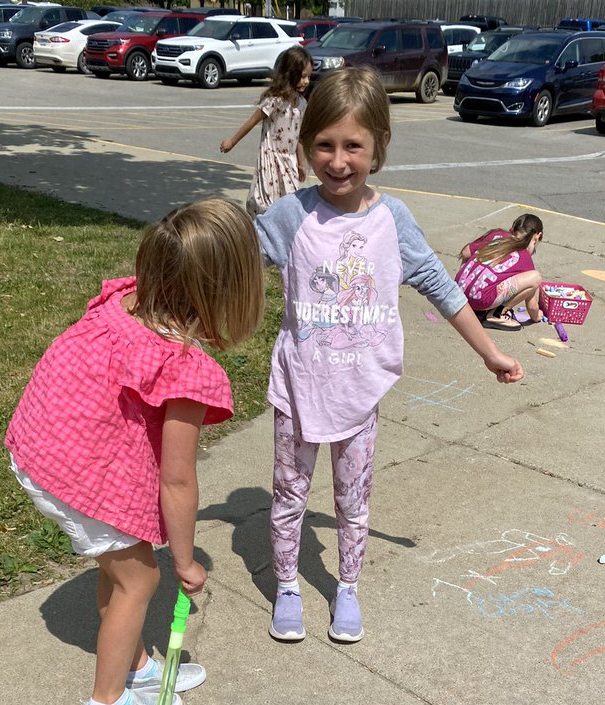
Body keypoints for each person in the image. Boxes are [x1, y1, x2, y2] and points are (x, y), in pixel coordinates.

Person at [255, 66, 523, 645]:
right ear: (304, 147)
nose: (338, 160)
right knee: (288, 496)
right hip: (299, 387)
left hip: (359, 392)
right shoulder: (291, 216)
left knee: (353, 501)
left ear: (379, 147)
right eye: (323, 145)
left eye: (353, 145)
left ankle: (347, 585)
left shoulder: (390, 220)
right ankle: (287, 585)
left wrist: (491, 352)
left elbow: (441, 287)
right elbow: (229, 260)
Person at [4, 200, 264, 705]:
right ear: (232, 290)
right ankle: (108, 703)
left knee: (119, 560)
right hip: (71, 470)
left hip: (39, 445)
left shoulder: (123, 304)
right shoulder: (184, 366)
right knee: (141, 576)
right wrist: (186, 561)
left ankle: (138, 667)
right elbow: (177, 478)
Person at [220, 45, 312, 217]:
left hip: (289, 162)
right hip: (270, 158)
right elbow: (251, 122)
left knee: (291, 200)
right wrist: (232, 142)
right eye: (302, 76)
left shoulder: (302, 105)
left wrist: (301, 163)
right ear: (290, 74)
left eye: (308, 77)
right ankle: (262, 232)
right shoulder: (274, 101)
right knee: (267, 202)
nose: (306, 81)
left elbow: (299, 137)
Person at [456, 213, 545, 330]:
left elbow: (466, 252)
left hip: (458, 293)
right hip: (480, 300)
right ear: (537, 237)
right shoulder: (525, 258)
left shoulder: (496, 234)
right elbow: (531, 306)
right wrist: (537, 315)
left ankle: (469, 291)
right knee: (535, 277)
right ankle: (497, 314)